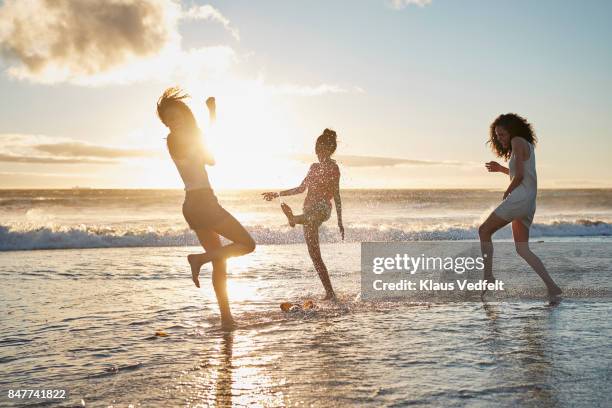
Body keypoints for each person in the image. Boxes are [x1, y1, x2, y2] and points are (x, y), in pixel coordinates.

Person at [157, 87, 256, 330]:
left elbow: (211, 159)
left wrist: (211, 116)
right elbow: (197, 152)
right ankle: (199, 259)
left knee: (220, 262)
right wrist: (208, 120)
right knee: (247, 244)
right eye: (168, 119)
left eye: (176, 116)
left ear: (185, 114)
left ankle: (226, 320)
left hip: (196, 204)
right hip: (201, 203)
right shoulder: (174, 140)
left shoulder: (191, 135)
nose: (173, 122)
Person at [479, 113, 562, 299]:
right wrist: (501, 169)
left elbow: (519, 177)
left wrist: (507, 192)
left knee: (484, 231)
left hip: (519, 198)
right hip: (529, 202)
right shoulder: (527, 144)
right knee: (522, 249)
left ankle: (488, 277)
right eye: (497, 135)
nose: (499, 139)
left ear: (512, 132)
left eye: (502, 134)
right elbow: (520, 172)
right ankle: (552, 286)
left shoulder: (517, 140)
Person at [262, 129, 344, 300]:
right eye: (316, 149)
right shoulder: (313, 167)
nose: (318, 152)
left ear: (329, 149)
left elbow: (336, 195)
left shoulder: (334, 168)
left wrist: (340, 222)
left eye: (321, 149)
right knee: (315, 255)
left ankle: (294, 219)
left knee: (312, 218)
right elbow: (300, 189)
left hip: (322, 209)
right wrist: (278, 194)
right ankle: (330, 293)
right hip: (308, 210)